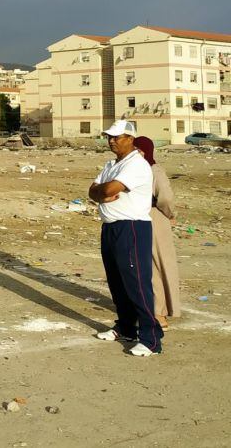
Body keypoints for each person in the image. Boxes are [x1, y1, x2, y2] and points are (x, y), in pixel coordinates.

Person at [89, 120, 163, 356]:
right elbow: (93, 190)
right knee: (117, 282)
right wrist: (100, 193)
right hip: (110, 227)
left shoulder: (137, 165)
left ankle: (151, 337)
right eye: (109, 136)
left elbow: (108, 190)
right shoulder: (111, 164)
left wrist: (102, 192)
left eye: (117, 137)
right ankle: (126, 327)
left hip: (131, 227)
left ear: (130, 138)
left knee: (137, 283)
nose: (111, 140)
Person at [134, 136, 180, 328]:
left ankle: (159, 312)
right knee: (142, 265)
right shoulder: (133, 170)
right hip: (136, 216)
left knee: (157, 265)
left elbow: (165, 198)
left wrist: (170, 214)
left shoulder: (154, 170)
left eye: (138, 150)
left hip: (154, 217)